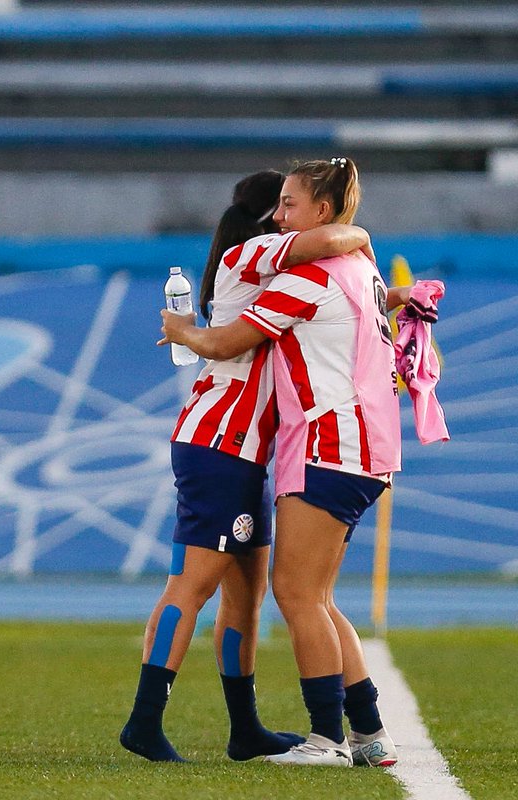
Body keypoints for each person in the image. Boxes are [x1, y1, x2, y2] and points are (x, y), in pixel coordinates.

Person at [160, 157, 437, 767]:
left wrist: (182, 331)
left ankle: (326, 740)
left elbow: (226, 342)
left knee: (296, 593)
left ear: (322, 212)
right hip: (364, 446)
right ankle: (367, 734)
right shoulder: (359, 269)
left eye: (289, 205)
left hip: (329, 443)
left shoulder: (310, 276)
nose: (279, 218)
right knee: (319, 595)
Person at [120, 169, 377, 763]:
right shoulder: (253, 252)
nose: (289, 217)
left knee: (246, 597)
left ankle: (245, 729)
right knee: (192, 582)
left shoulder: (268, 271)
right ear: (269, 219)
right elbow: (328, 240)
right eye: (282, 207)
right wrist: (354, 230)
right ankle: (144, 721)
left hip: (245, 451)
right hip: (218, 443)